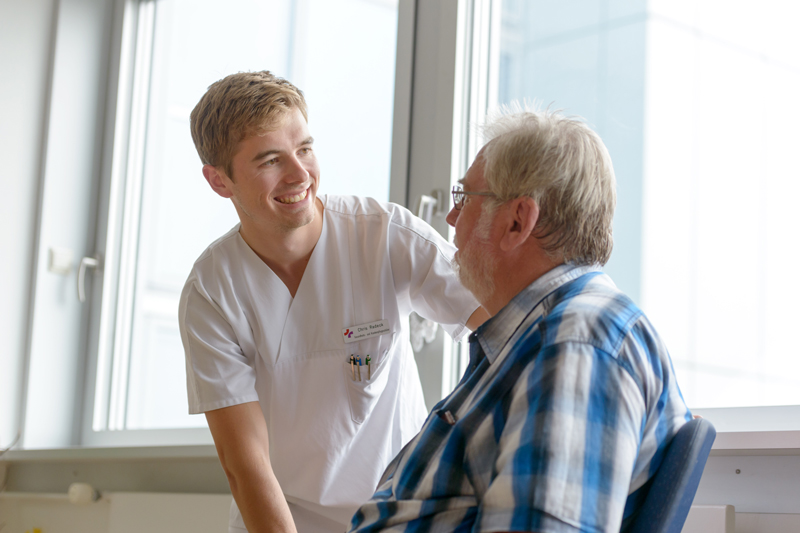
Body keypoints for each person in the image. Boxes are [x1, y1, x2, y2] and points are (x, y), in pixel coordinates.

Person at [349, 106, 692, 533]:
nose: (451, 218)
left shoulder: (578, 341)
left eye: (464, 198)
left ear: (517, 221)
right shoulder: (533, 339)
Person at [178, 71, 488, 533]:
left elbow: (502, 324)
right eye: (270, 160)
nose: (300, 174)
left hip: (401, 516)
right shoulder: (211, 292)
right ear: (219, 181)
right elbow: (245, 465)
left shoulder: (384, 235)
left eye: (304, 148)